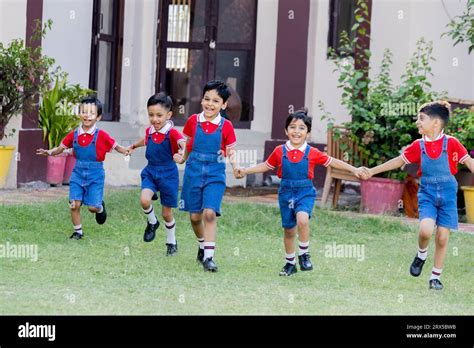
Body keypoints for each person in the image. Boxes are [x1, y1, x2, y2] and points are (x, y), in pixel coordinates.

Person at [235, 110, 366, 276]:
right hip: (286, 192)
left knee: (302, 219)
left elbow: (332, 161)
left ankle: (304, 253)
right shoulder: (279, 151)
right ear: (286, 130)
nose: (296, 131)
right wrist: (245, 171)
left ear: (308, 133)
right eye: (292, 127)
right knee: (289, 230)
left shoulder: (312, 152)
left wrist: (354, 169)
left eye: (302, 128)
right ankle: (290, 264)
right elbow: (266, 166)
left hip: (304, 191)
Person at [362, 101, 474, 290]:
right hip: (428, 193)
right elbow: (398, 161)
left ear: (436, 123)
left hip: (447, 194)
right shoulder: (418, 145)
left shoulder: (452, 143)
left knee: (442, 238)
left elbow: (469, 162)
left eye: (421, 119)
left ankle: (435, 277)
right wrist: (372, 171)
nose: (417, 122)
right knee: (425, 230)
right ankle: (421, 254)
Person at [36, 96, 129, 239]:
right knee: (74, 204)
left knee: (92, 207)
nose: (87, 115)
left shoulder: (101, 135)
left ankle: (100, 207)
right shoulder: (74, 134)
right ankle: (77, 232)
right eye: (84, 111)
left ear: (98, 117)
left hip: (96, 174)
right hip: (78, 173)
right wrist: (49, 152)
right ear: (80, 114)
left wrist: (126, 150)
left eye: (91, 113)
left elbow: (115, 146)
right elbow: (60, 148)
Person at [174, 80, 240, 272]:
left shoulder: (226, 126)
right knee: (195, 217)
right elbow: (187, 146)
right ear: (202, 100)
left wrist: (236, 167)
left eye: (216, 101)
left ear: (224, 105)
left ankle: (209, 258)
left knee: (209, 214)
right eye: (207, 99)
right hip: (193, 172)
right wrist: (181, 159)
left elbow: (231, 151)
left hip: (215, 174)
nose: (210, 104)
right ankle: (202, 245)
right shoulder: (192, 121)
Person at [127, 92, 185, 256]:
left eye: (159, 115)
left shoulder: (172, 133)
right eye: (151, 115)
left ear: (168, 115)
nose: (155, 119)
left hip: (168, 175)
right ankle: (152, 222)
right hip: (151, 171)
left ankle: (171, 242)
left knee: (167, 213)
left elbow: (183, 143)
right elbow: (145, 140)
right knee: (144, 200)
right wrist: (133, 146)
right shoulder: (150, 131)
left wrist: (182, 153)